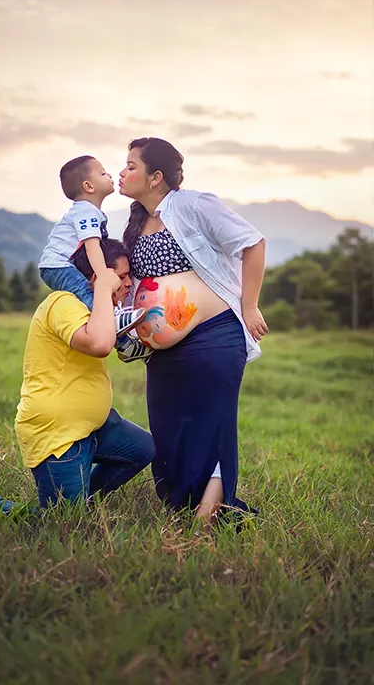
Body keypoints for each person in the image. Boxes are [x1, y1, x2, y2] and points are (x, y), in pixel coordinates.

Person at [0, 239, 155, 515]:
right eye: (121, 277)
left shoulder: (96, 311)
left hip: (95, 427)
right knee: (60, 521)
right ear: (98, 277)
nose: (128, 284)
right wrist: (103, 290)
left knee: (143, 448)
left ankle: (81, 501)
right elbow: (99, 345)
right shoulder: (63, 303)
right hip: (59, 434)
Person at [118, 137, 269, 530]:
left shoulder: (193, 205)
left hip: (214, 336)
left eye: (131, 165)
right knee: (170, 432)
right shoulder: (136, 223)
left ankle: (203, 521)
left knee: (212, 428)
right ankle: (189, 507)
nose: (122, 172)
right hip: (164, 353)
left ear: (155, 177)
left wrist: (250, 305)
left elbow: (253, 243)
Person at [38, 155, 146, 336]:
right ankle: (113, 318)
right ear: (88, 186)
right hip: (58, 266)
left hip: (61, 266)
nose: (109, 175)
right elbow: (92, 247)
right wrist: (104, 277)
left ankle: (124, 343)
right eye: (103, 173)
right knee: (87, 294)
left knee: (90, 295)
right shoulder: (86, 212)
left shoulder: (90, 212)